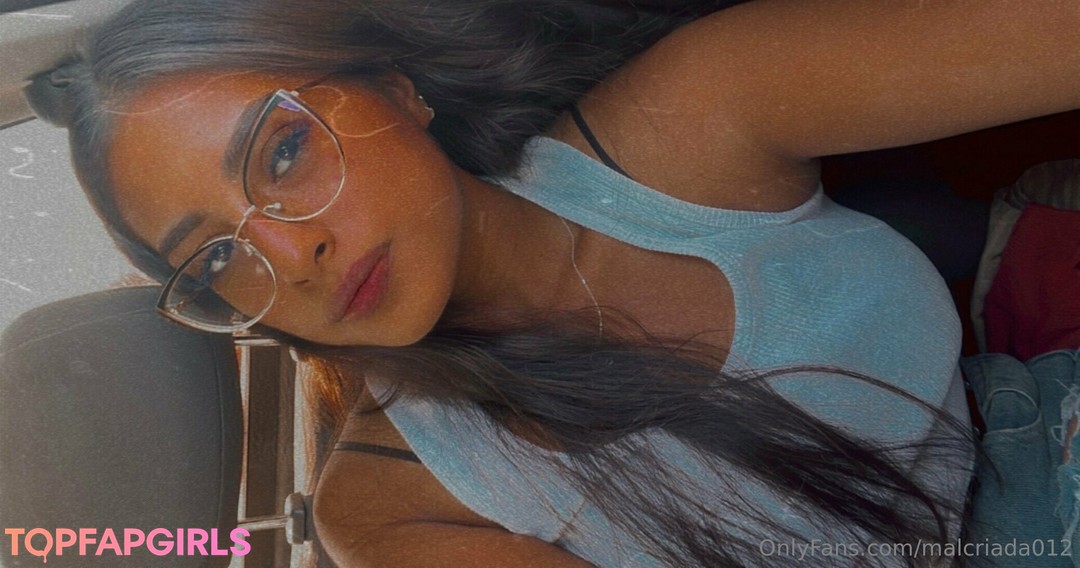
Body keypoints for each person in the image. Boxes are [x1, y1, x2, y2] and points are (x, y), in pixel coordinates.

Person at [22, 0, 1080, 565]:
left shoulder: (690, 116)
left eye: (284, 152)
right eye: (218, 257)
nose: (290, 258)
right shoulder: (393, 506)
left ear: (395, 87)